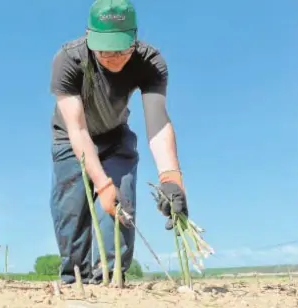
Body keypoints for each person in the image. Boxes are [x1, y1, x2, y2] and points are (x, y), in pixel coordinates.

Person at [49, 0, 189, 285]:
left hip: (115, 134)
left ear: (134, 39)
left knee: (120, 202)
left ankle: (111, 277)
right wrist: (101, 183)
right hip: (70, 138)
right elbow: (77, 130)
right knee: (71, 212)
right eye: (104, 50)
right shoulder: (68, 60)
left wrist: (171, 177)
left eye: (121, 49)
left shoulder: (150, 62)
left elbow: (158, 121)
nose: (113, 57)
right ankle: (74, 279)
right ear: (89, 36)